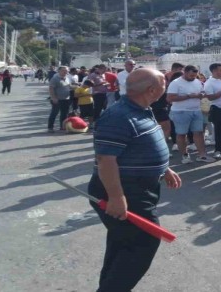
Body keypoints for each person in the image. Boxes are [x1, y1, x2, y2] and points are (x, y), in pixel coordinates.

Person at [88, 68, 182, 291]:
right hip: (126, 190)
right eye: (164, 84)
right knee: (143, 242)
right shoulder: (119, 116)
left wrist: (164, 168)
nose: (166, 87)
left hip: (139, 188)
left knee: (123, 243)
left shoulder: (141, 109)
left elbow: (140, 146)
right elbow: (105, 160)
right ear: (151, 90)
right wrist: (116, 197)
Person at [166, 65, 214, 164]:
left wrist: (201, 95)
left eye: (195, 76)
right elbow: (170, 98)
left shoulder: (197, 82)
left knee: (199, 132)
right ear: (185, 72)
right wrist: (188, 96)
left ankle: (202, 155)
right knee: (181, 134)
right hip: (180, 111)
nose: (193, 77)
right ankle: (185, 155)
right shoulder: (176, 83)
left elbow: (202, 93)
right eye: (191, 75)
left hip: (196, 110)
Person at [204, 63, 221, 159]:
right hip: (218, 109)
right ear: (214, 71)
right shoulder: (209, 83)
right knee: (219, 131)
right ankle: (218, 150)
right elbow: (210, 97)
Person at [48, 66, 75, 132]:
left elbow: (69, 86)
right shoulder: (55, 79)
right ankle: (50, 127)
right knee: (54, 113)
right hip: (57, 99)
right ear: (59, 71)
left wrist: (76, 87)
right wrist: (53, 98)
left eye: (67, 71)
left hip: (66, 99)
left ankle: (62, 126)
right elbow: (51, 89)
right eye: (63, 70)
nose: (65, 72)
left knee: (64, 113)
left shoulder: (67, 78)